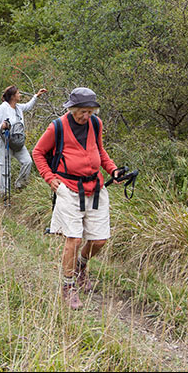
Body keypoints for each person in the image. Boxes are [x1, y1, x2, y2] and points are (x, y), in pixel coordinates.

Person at [32, 87, 123, 310]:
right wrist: (49, 177)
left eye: (90, 111)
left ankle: (81, 266)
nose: (86, 116)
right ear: (72, 109)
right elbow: (38, 152)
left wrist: (113, 170)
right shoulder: (57, 127)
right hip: (68, 188)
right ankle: (68, 285)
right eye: (82, 111)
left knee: (99, 239)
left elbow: (100, 151)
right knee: (73, 239)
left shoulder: (95, 124)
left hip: (95, 186)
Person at [0, 85, 48, 196]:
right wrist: (1, 126)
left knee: (27, 161)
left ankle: (20, 185)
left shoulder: (18, 107)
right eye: (18, 93)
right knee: (5, 167)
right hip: (4, 141)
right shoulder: (3, 107)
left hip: (18, 141)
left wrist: (37, 96)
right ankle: (5, 194)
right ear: (12, 96)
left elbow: (28, 106)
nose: (20, 95)